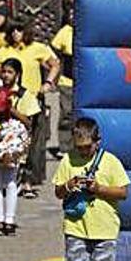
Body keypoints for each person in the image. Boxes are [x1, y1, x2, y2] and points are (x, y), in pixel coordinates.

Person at [54, 118, 129, 261]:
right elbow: (58, 192)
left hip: (104, 227)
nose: (83, 151)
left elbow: (123, 192)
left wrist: (99, 189)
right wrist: (69, 185)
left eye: (87, 146)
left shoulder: (110, 161)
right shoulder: (68, 160)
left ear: (97, 141)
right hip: (76, 225)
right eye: (79, 147)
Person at [0, 23, 60, 197]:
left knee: (34, 142)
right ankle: (8, 179)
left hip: (32, 100)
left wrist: (48, 82)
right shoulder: (3, 51)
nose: (15, 34)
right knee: (8, 139)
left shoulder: (38, 48)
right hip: (9, 101)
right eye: (12, 31)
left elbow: (55, 64)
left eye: (19, 30)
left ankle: (28, 181)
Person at [0, 58, 37, 236]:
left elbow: (29, 121)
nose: (6, 75)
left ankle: (9, 219)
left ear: (17, 74)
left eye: (10, 72)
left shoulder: (24, 94)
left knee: (10, 180)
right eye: (4, 72)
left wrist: (11, 109)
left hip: (15, 140)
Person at [51, 12, 74, 157]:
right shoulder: (65, 31)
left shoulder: (88, 28)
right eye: (70, 14)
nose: (72, 16)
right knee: (67, 114)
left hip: (86, 81)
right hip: (67, 80)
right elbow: (54, 49)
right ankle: (65, 147)